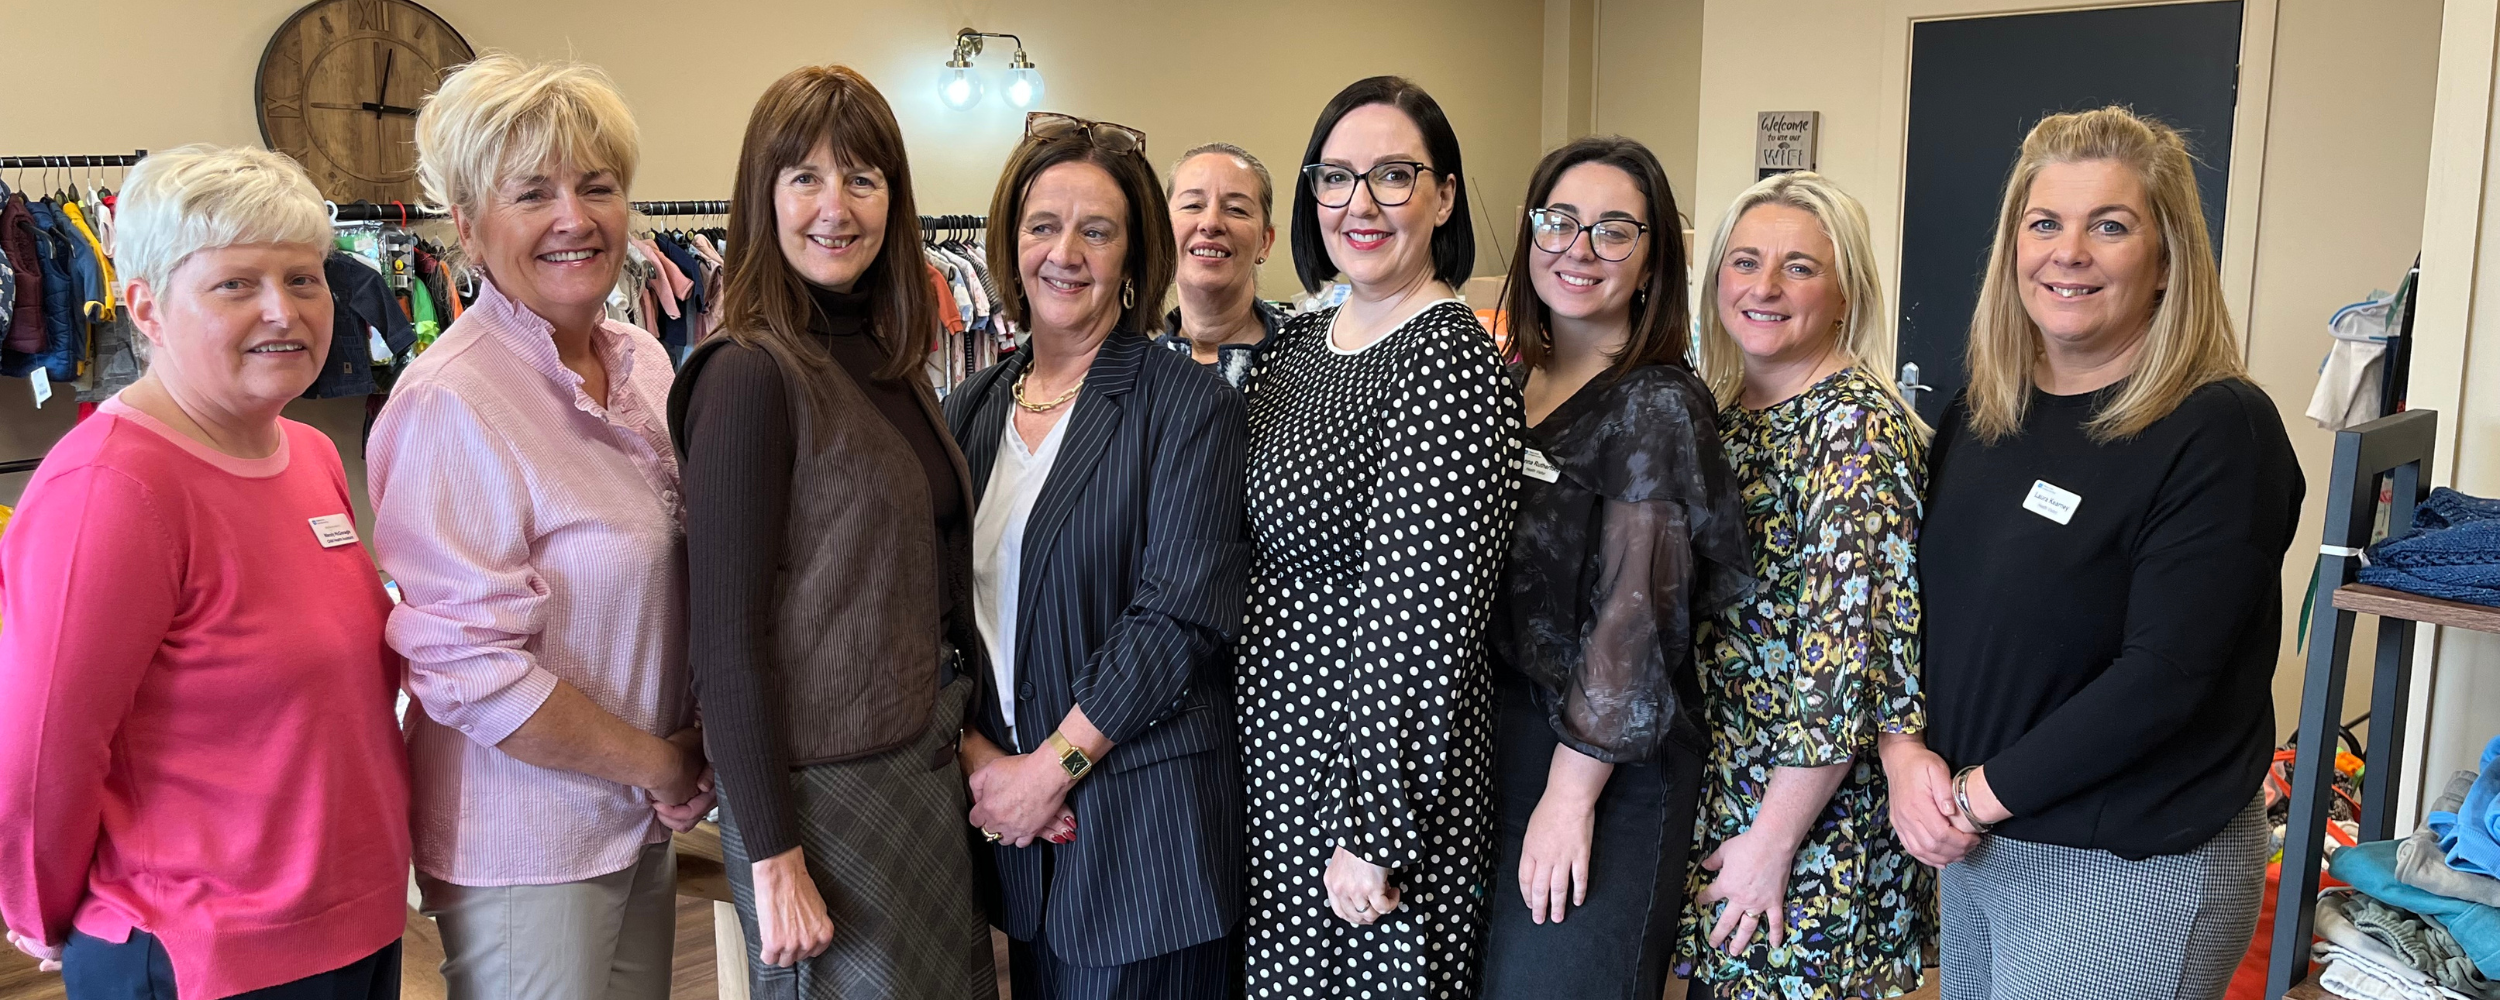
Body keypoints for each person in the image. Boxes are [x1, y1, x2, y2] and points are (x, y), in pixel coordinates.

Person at [0, 144, 411, 999]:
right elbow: (44, 748)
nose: (284, 311)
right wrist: (36, 910)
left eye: (304, 279)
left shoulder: (306, 452)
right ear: (146, 308)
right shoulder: (110, 488)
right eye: (236, 284)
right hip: (205, 952)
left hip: (354, 923)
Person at [1912, 106, 2303, 1000]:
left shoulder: (2218, 430)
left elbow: (2166, 676)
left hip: (2130, 863)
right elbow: (1929, 617)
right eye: (2044, 223)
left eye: (2111, 226)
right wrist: (1913, 761)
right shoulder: (1981, 416)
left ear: (2167, 262)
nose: (2069, 251)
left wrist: (1971, 798)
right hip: (1980, 846)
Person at [370, 54, 711, 1000]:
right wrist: (661, 760)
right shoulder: (452, 400)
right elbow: (467, 669)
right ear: (471, 230)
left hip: (640, 816)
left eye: (597, 186)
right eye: (532, 194)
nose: (575, 217)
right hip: (524, 838)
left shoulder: (643, 362)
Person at [668, 64, 996, 998]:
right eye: (803, 177)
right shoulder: (747, 376)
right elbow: (724, 640)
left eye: (861, 177)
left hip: (918, 771)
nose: (834, 206)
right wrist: (771, 853)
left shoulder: (891, 360)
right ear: (761, 194)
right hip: (823, 800)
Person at [944, 111, 1250, 999]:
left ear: (1133, 255)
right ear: (1010, 242)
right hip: (1017, 837)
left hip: (1143, 841)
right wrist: (987, 768)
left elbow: (1178, 618)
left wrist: (1051, 770)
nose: (1065, 252)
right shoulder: (968, 410)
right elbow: (936, 613)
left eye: (1097, 230)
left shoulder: (1184, 405)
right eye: (1043, 225)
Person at [1236, 76, 1523, 999]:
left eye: (1393, 176)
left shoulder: (1447, 355)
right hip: (1278, 769)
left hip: (1367, 788)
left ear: (1443, 196)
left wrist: (1375, 829)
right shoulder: (1303, 343)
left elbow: (1425, 620)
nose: (1359, 204)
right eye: (1335, 177)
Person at [1478, 136, 1754, 1000]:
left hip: (1601, 766)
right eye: (1558, 222)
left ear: (1651, 262)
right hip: (1500, 740)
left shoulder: (1656, 404)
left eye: (1613, 231)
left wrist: (1569, 798)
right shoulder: (1506, 382)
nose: (1578, 249)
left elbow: (1635, 625)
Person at [1676, 171, 1933, 1000]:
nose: (1765, 287)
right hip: (1735, 791)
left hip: (1812, 821)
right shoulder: (1724, 413)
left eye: (1799, 267)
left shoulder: (1853, 425)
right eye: (1745, 261)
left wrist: (1771, 843)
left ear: (1846, 291)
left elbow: (1846, 663)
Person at [1160, 141, 1284, 386]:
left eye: (1236, 209)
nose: (1211, 223)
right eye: (1193, 205)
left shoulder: (1312, 360)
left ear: (1265, 242)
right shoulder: (1133, 369)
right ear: (1161, 232)